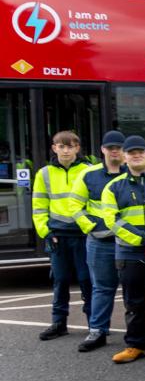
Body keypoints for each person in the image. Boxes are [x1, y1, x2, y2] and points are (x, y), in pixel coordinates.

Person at [98, 135, 145, 364]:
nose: (136, 156)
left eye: (140, 152)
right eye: (131, 152)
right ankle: (137, 346)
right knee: (134, 302)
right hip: (130, 251)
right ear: (125, 157)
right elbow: (112, 220)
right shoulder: (113, 186)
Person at [32, 129, 92, 342]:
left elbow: (95, 203)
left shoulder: (88, 170)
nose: (66, 151)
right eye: (61, 146)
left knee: (87, 280)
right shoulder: (44, 174)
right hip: (57, 235)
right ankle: (59, 323)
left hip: (83, 234)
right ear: (54, 148)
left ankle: (94, 324)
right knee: (60, 280)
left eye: (70, 146)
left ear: (77, 148)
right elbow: (39, 206)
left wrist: (90, 229)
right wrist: (46, 232)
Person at [72, 130, 127, 352]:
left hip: (129, 242)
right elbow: (74, 205)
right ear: (102, 149)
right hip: (100, 241)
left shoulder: (135, 172)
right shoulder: (88, 174)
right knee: (102, 288)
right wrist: (91, 227)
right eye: (110, 147)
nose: (114, 151)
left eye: (118, 148)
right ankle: (98, 331)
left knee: (140, 288)